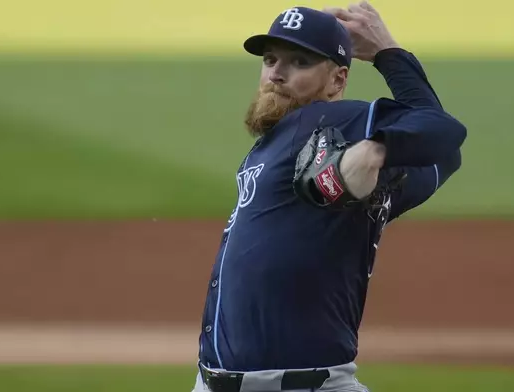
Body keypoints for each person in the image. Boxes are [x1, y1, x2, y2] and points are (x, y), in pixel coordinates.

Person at [192, 2, 467, 391]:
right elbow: (445, 153)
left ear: (337, 82)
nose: (276, 74)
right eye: (270, 59)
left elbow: (443, 133)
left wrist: (376, 145)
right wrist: (384, 163)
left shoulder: (324, 121)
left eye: (299, 62)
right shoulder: (276, 145)